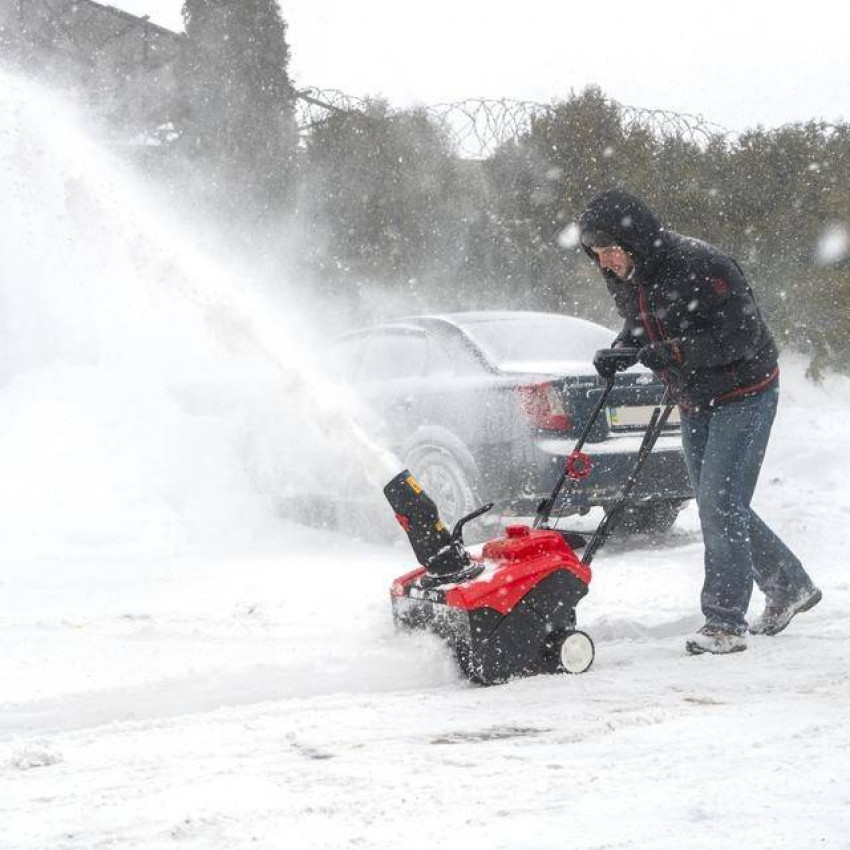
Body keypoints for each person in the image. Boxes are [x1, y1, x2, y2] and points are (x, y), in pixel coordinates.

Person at [578, 187, 821, 655]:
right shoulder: (626, 275)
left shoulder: (703, 265)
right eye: (596, 254)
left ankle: (725, 623)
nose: (604, 262)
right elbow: (642, 322)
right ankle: (789, 585)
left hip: (746, 391)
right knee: (720, 502)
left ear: (637, 241)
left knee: (720, 503)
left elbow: (741, 338)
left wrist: (671, 353)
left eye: (609, 250)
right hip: (694, 396)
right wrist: (621, 350)